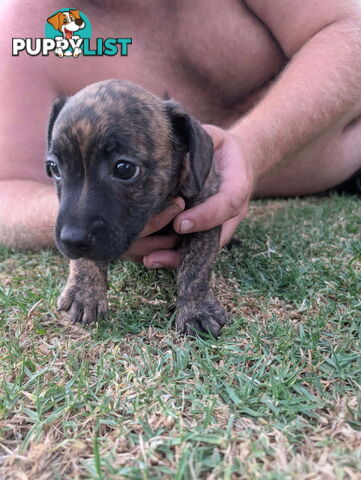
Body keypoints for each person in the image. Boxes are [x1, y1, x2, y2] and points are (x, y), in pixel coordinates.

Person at [1, 0, 360, 269]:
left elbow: (350, 30)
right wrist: (91, 215)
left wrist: (251, 148)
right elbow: (7, 190)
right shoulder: (30, 29)